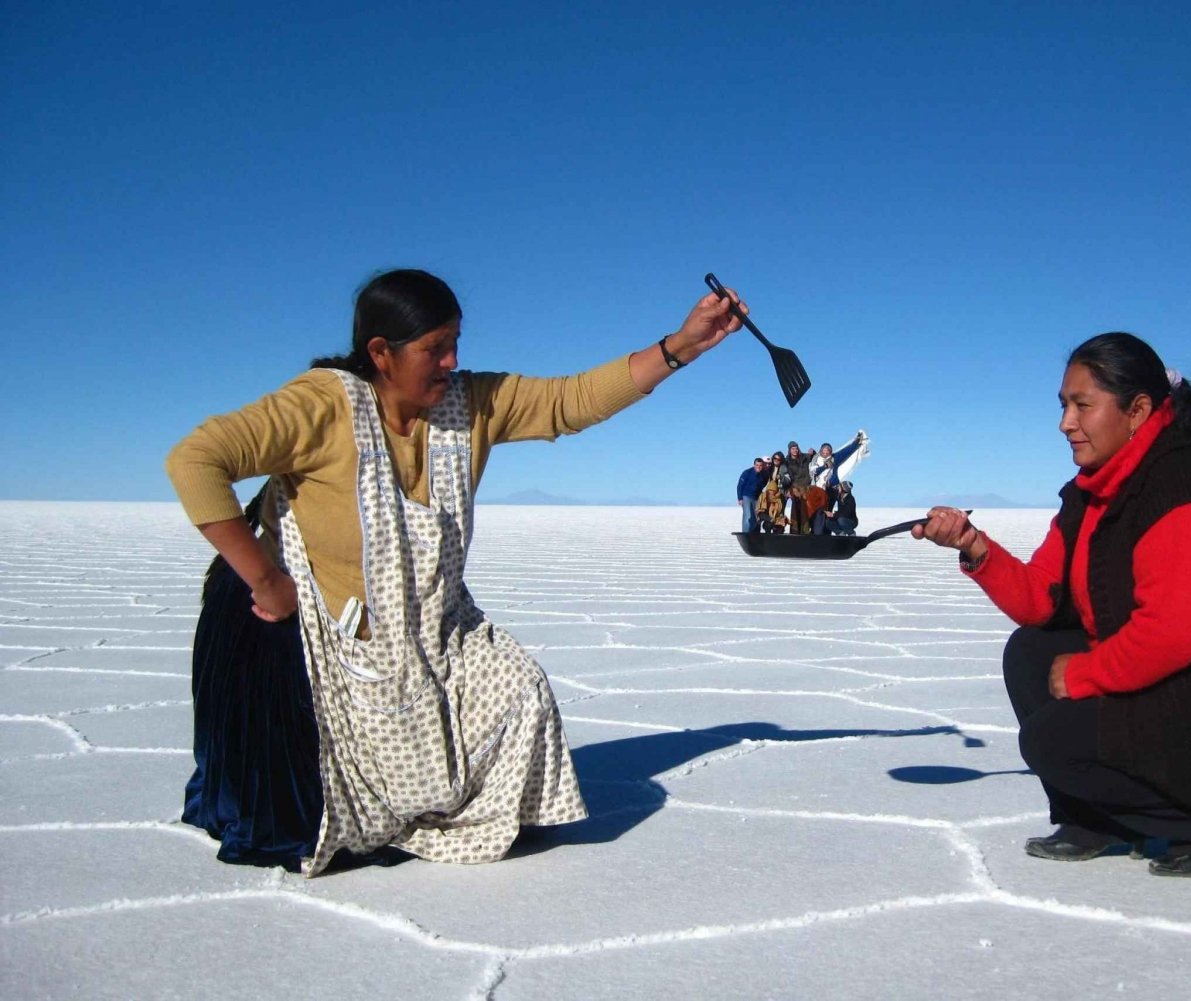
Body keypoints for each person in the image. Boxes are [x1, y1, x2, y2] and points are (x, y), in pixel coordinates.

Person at [166, 268, 745, 875]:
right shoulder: (320, 406)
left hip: (433, 622)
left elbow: (570, 401)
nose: (451, 361)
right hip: (321, 633)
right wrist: (264, 579)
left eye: (455, 343)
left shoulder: (469, 405)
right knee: (329, 808)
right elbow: (195, 460)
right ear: (380, 354)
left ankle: (479, 818)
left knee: (520, 691)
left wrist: (684, 345)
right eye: (433, 348)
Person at [914, 332, 1191, 878]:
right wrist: (975, 546)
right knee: (1031, 652)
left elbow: (1172, 635)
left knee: (1051, 741)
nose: (1066, 422)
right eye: (1064, 404)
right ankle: (1095, 820)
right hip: (1178, 680)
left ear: (1137, 410)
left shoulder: (1187, 490)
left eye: (1082, 405)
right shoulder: (1095, 490)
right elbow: (1044, 599)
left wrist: (1088, 674)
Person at [736, 457, 769, 534]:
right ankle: (746, 534)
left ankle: (755, 534)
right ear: (754, 465)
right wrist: (740, 498)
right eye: (757, 465)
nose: (758, 467)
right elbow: (740, 485)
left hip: (756, 497)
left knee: (757, 517)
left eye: (760, 465)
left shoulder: (764, 475)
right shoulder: (747, 473)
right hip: (746, 496)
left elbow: (763, 485)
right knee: (748, 516)